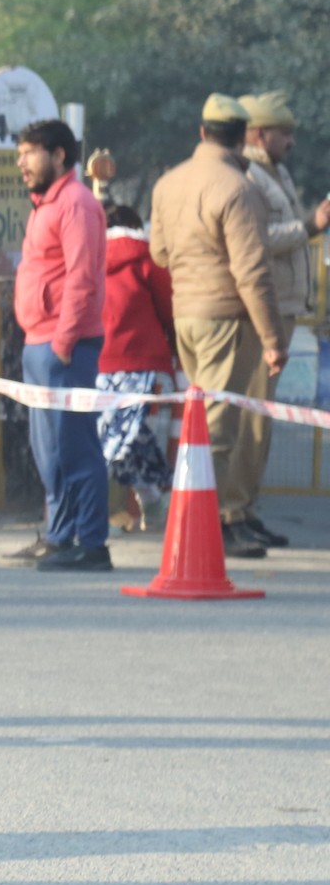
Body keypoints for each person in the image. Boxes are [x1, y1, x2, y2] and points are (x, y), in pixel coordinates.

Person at [150, 94, 287, 559]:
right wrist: (273, 339)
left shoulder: (168, 183)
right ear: (242, 138)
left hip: (186, 316)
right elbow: (253, 272)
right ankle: (213, 524)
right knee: (218, 431)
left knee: (202, 423)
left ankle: (199, 522)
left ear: (202, 132)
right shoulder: (239, 189)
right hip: (227, 319)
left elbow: (160, 253)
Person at [8, 118, 113, 572]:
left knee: (75, 446)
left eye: (29, 153)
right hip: (40, 341)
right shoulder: (45, 204)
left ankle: (92, 543)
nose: (21, 163)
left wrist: (65, 342)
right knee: (48, 450)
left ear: (58, 155)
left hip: (65, 345)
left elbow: (82, 278)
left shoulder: (76, 203)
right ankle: (59, 535)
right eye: (19, 154)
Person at [240, 91, 329, 546]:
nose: (291, 141)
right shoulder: (247, 174)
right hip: (263, 311)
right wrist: (310, 226)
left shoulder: (279, 173)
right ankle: (233, 513)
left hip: (287, 308)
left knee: (263, 420)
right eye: (284, 133)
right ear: (259, 134)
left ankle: (247, 509)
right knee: (250, 418)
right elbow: (255, 239)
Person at [98, 204, 177, 532]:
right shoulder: (149, 258)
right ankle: (147, 506)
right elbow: (169, 309)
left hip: (97, 363)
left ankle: (91, 517)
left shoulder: (86, 257)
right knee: (132, 440)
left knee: (106, 441)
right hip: (144, 365)